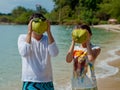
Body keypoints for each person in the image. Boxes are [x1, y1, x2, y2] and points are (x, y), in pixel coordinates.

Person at [18, 13, 59, 90]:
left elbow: (55, 53)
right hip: (30, 80)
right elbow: (24, 53)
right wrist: (29, 32)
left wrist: (49, 32)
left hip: (47, 80)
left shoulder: (48, 39)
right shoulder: (23, 38)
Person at [66, 24, 101, 90]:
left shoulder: (96, 48)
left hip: (90, 84)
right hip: (76, 84)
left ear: (90, 35)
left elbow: (91, 58)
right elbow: (68, 60)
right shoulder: (75, 48)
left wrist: (87, 40)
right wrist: (73, 41)